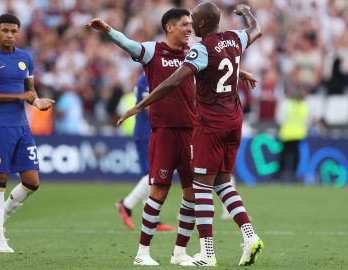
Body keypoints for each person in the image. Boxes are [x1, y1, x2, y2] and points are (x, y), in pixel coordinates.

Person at [117, 2, 263, 266]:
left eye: (193, 20)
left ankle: (207, 252)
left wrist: (139, 105)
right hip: (235, 120)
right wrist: (247, 12)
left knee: (201, 186)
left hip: (210, 124)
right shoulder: (235, 38)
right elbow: (256, 29)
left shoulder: (200, 49)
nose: (190, 25)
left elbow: (174, 81)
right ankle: (249, 235)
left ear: (203, 24)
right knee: (222, 183)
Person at [86, 9, 197, 266]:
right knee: (159, 190)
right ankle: (142, 253)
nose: (189, 29)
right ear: (170, 27)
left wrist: (241, 74)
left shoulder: (193, 54)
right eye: (184, 24)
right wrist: (108, 30)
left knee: (192, 193)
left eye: (191, 24)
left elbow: (216, 67)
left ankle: (180, 253)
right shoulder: (152, 51)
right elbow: (127, 43)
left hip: (190, 132)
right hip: (164, 133)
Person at [0, 14, 55, 253]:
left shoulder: (25, 58)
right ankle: (0, 240)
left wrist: (37, 102)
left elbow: (29, 91)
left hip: (21, 126)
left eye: (14, 31)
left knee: (32, 181)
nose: (10, 35)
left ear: (18, 33)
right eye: (5, 30)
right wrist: (19, 97)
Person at [116, 72, 175, 232]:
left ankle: (151, 218)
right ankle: (126, 204)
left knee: (150, 177)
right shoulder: (146, 78)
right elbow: (150, 106)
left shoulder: (155, 76)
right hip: (145, 133)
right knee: (152, 175)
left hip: (151, 133)